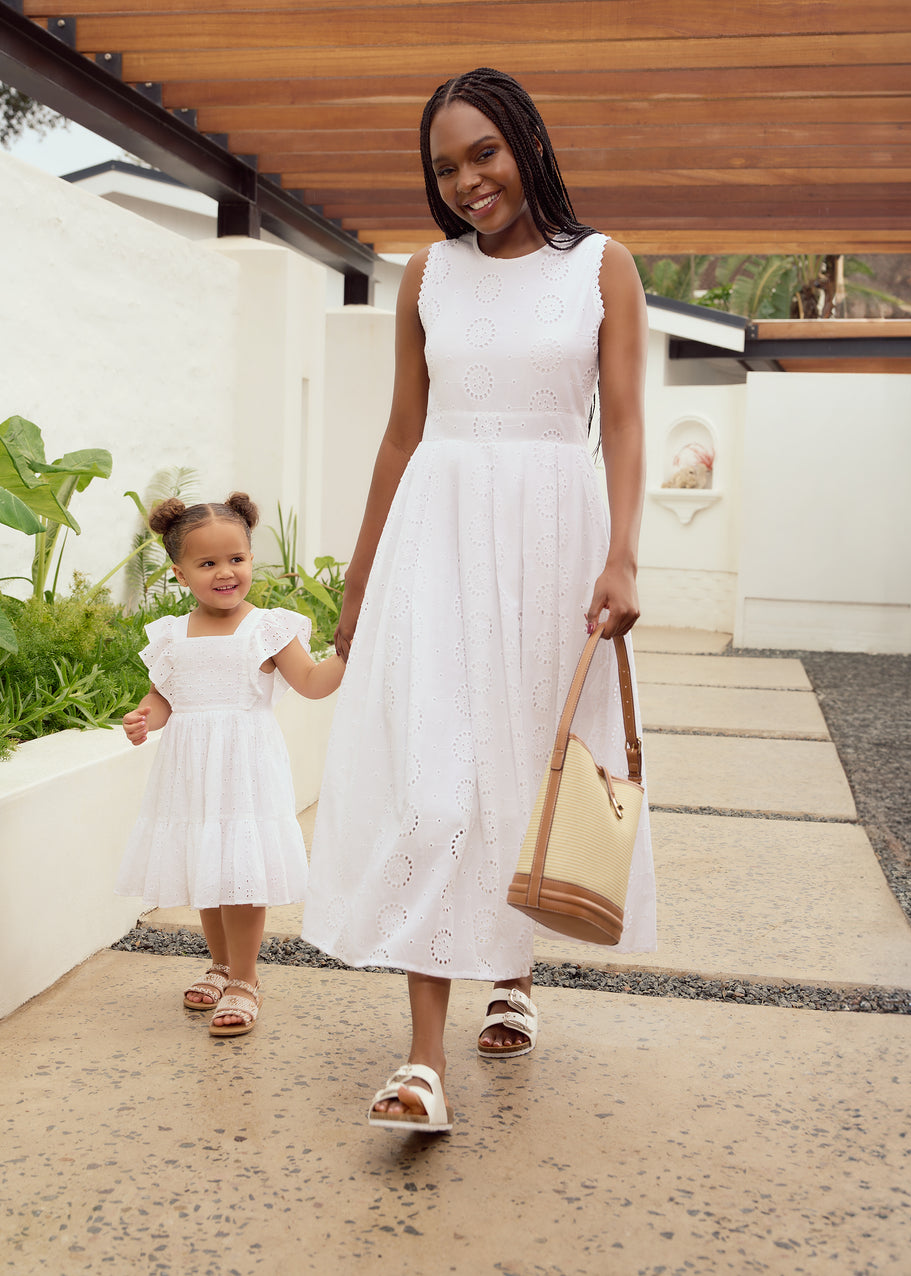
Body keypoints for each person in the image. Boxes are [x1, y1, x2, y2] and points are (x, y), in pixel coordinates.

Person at [303, 67, 656, 1132]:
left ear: (528, 144)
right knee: (440, 785)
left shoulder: (604, 266)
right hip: (439, 538)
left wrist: (626, 555)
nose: (466, 181)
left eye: (483, 154)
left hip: (555, 535)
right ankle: (421, 1061)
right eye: (445, 167)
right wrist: (359, 580)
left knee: (523, 769)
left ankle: (517, 971)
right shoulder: (428, 277)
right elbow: (403, 434)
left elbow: (629, 421)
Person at [115, 493, 344, 1037]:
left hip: (244, 764)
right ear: (180, 572)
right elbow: (164, 700)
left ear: (250, 559)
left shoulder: (267, 628)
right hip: (191, 769)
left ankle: (245, 978)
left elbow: (311, 685)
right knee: (209, 867)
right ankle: (218, 965)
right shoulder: (172, 634)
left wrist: (349, 654)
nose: (225, 572)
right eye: (208, 563)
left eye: (236, 559)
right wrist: (142, 718)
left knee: (241, 870)